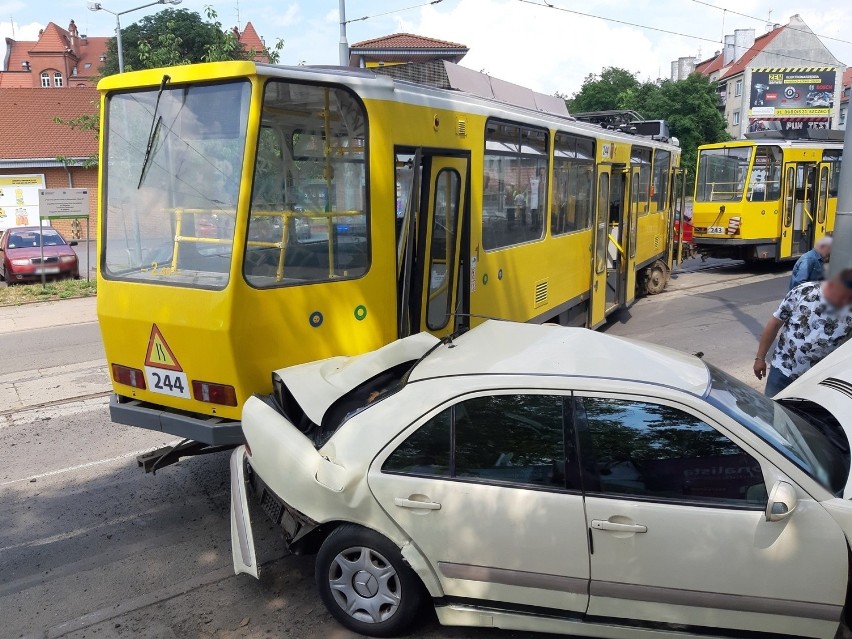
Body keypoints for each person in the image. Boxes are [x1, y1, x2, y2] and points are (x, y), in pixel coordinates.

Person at [754, 268, 852, 396]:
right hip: (782, 372)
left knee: (801, 416)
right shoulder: (804, 291)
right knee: (773, 412)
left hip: (817, 382)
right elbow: (774, 324)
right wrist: (760, 358)